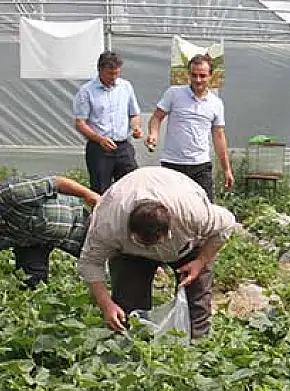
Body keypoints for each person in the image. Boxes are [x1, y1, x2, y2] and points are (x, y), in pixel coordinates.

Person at [77, 166, 236, 339]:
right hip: (131, 254)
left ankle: (198, 351)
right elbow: (90, 262)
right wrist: (106, 305)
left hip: (186, 245)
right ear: (131, 232)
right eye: (145, 243)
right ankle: (132, 350)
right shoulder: (108, 222)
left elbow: (226, 225)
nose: (153, 249)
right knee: (128, 307)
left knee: (195, 304)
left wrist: (200, 262)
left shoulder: (192, 212)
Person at [0, 175, 100, 295]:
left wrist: (90, 195)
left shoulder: (14, 194)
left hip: (74, 222)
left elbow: (57, 183)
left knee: (101, 263)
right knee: (31, 287)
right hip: (30, 242)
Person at [145, 54, 234, 201]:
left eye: (202, 76)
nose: (198, 80)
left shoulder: (216, 103)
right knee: (170, 208)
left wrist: (227, 169)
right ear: (189, 74)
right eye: (194, 75)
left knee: (205, 208)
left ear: (210, 76)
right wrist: (153, 134)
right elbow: (157, 117)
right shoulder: (174, 93)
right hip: (173, 163)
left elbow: (219, 136)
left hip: (200, 164)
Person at [74, 51, 143, 194]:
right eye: (110, 74)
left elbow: (134, 114)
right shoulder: (86, 91)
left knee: (130, 187)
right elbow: (80, 123)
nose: (114, 78)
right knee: (100, 191)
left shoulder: (125, 87)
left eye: (116, 73)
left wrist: (136, 127)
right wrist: (100, 139)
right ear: (100, 70)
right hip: (99, 148)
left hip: (123, 146)